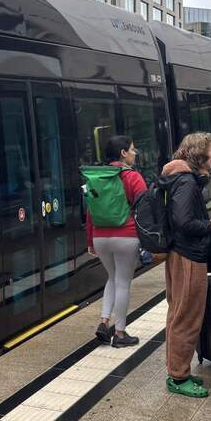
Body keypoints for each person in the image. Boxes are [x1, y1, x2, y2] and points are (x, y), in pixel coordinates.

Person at [157, 132, 211, 398]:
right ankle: (178, 376)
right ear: (199, 153)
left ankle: (178, 370)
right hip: (189, 256)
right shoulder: (186, 181)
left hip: (180, 253)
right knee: (186, 317)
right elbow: (184, 222)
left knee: (178, 313)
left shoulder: (177, 177)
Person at [86, 135, 147, 348]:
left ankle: (104, 322)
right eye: (132, 149)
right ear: (123, 153)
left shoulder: (97, 178)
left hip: (100, 237)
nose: (134, 153)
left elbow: (90, 212)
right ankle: (120, 334)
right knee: (123, 282)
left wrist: (90, 240)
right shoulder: (132, 177)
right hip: (126, 236)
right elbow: (145, 209)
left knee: (112, 277)